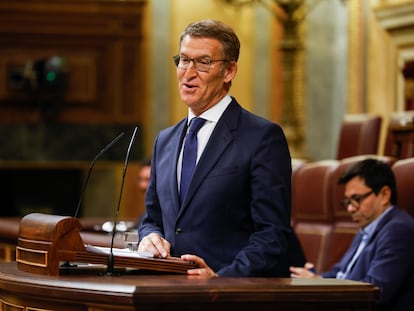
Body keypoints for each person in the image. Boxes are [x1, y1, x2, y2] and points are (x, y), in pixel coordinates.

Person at [138, 19, 299, 277]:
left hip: (226, 295)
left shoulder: (262, 138)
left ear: (229, 71)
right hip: (165, 291)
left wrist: (221, 279)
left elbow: (272, 235)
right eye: (184, 60)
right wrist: (150, 237)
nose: (188, 73)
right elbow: (152, 219)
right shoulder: (165, 140)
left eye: (203, 63)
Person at [290, 159, 414, 311]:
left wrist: (321, 286)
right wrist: (315, 278)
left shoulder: (398, 230)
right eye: (347, 201)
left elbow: (376, 293)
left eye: (356, 199)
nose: (350, 208)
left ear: (384, 195)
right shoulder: (367, 226)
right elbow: (341, 273)